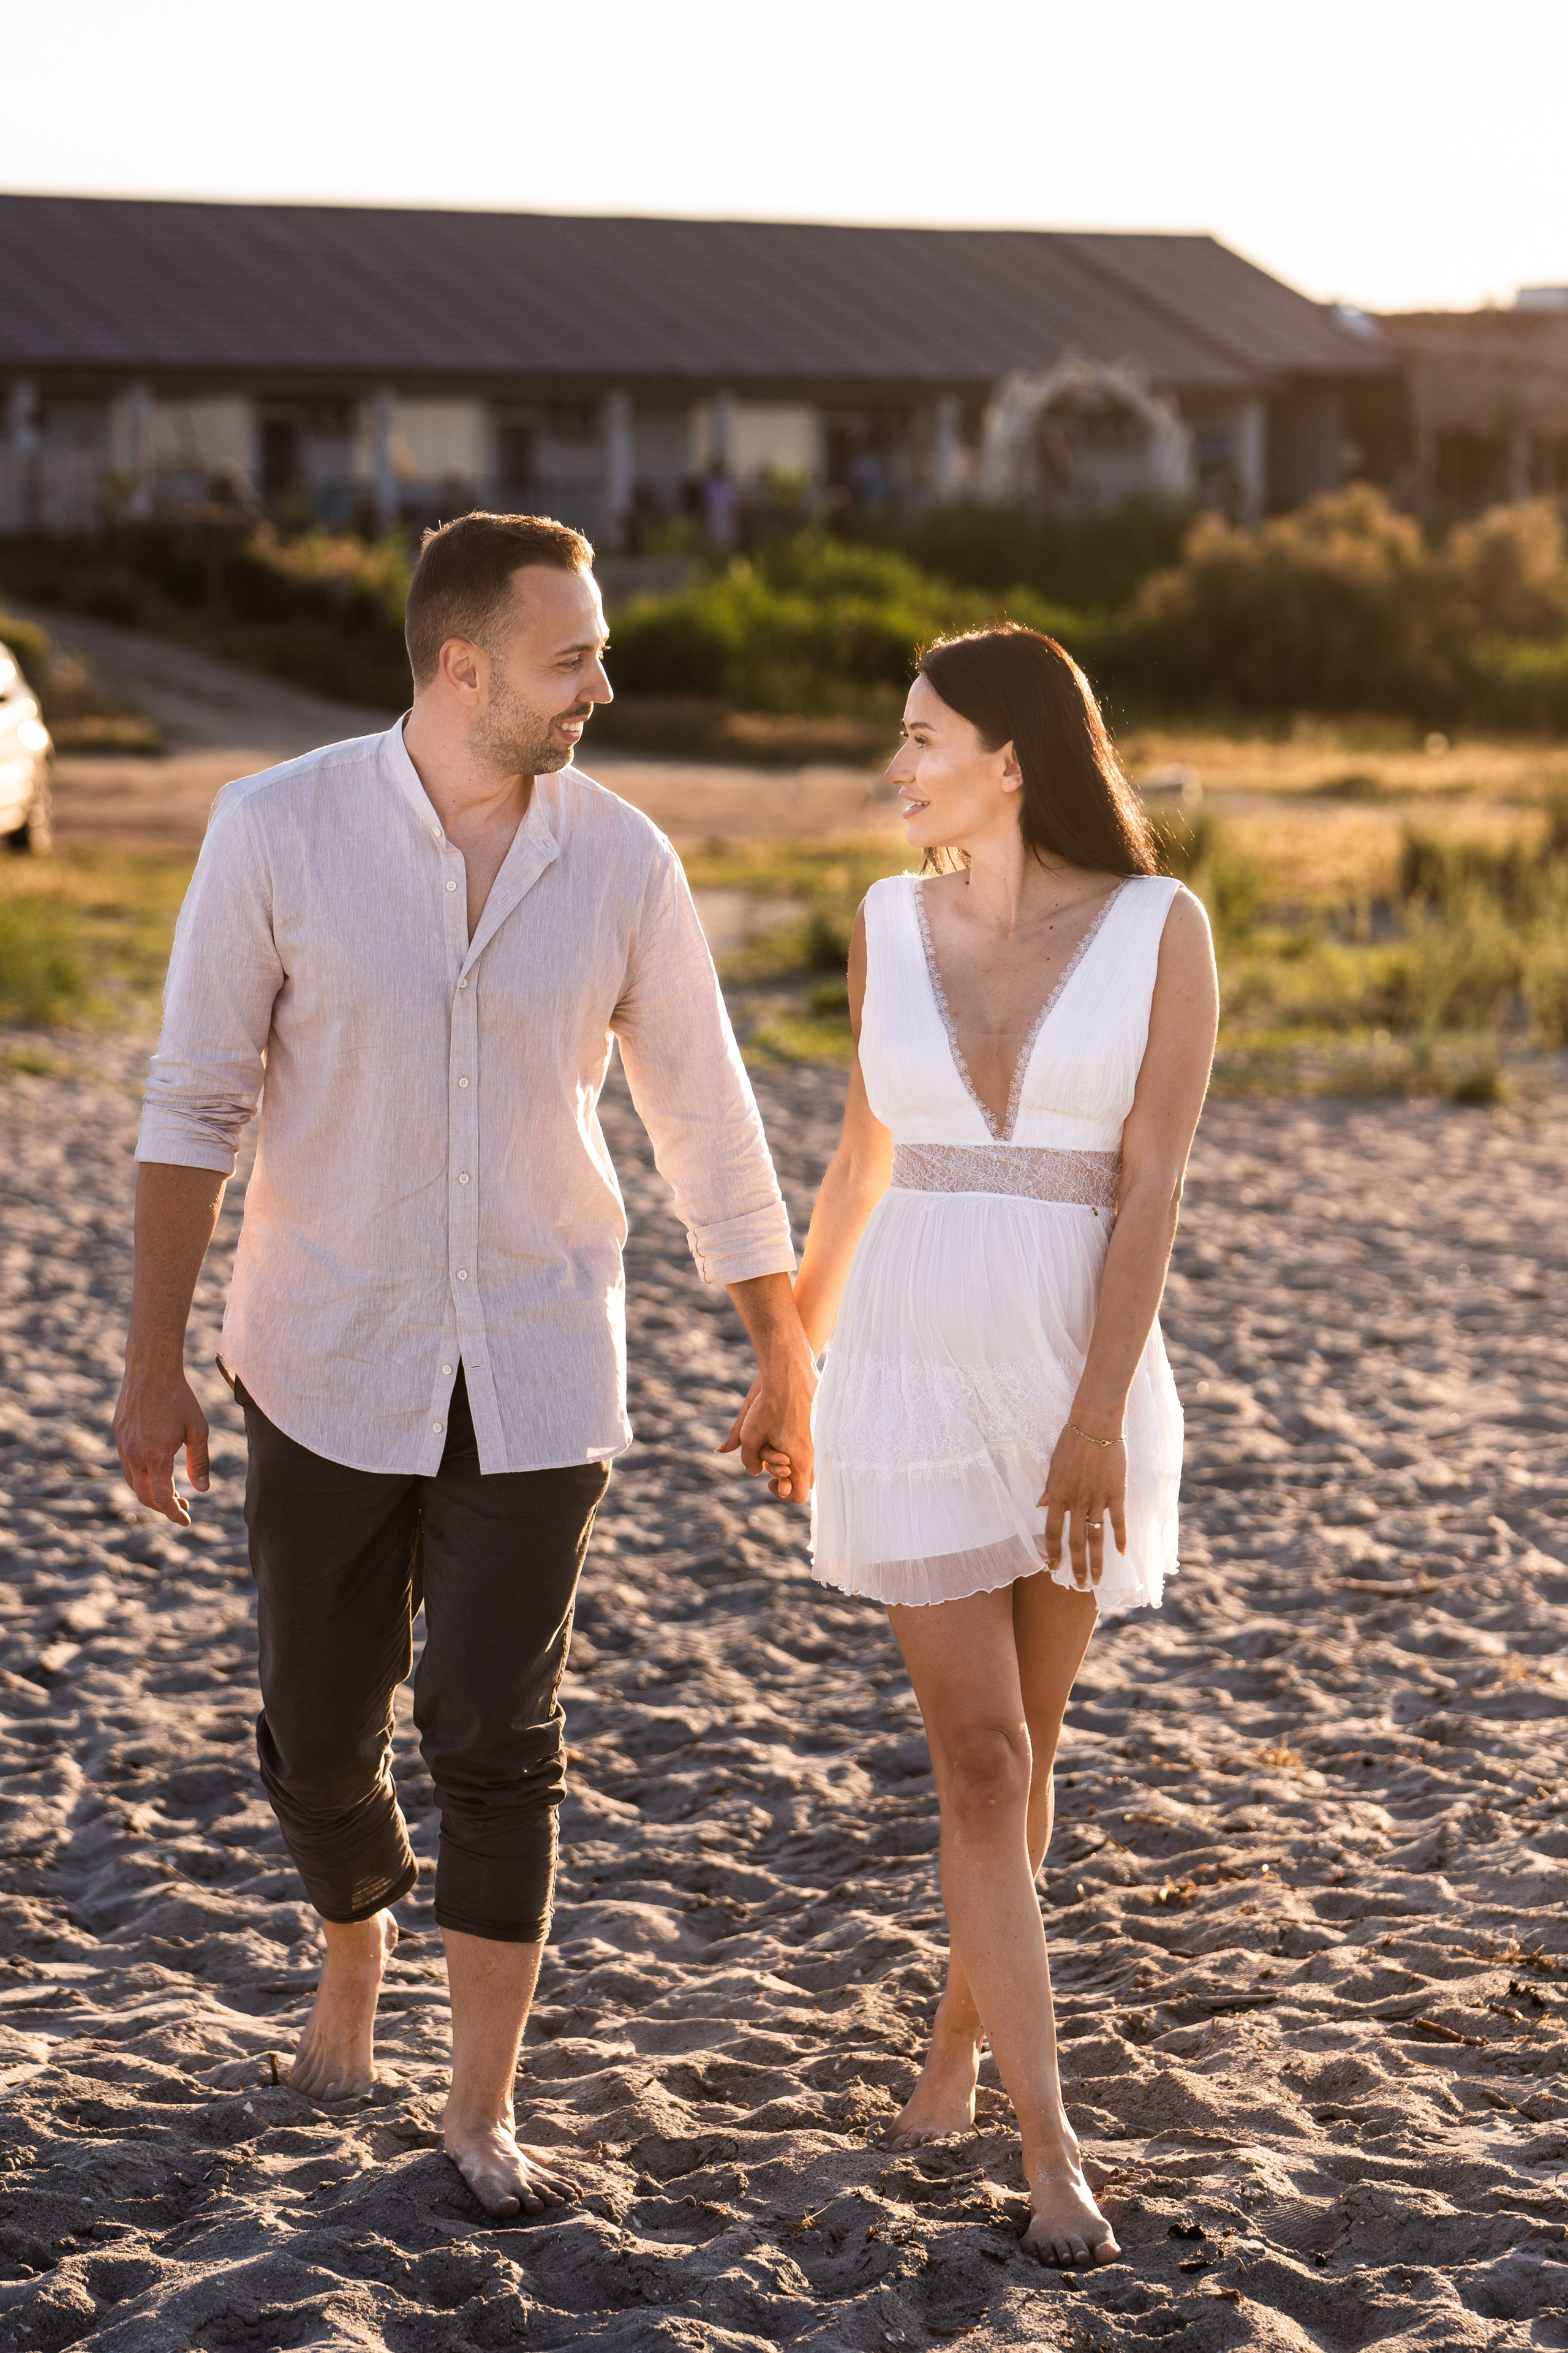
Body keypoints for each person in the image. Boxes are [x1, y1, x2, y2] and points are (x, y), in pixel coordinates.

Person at [112, 512, 815, 2220]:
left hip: (538, 1363)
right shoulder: (275, 829)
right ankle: (353, 1952)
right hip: (322, 1350)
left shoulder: (626, 860)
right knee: (317, 1739)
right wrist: (154, 1368)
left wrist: (779, 1343)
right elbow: (192, 1104)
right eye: (572, 655)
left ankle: (479, 2104)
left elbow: (706, 1121)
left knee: (497, 1728)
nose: (604, 683)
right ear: (463, 664)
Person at [769, 624, 1217, 2267]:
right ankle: (1053, 2147)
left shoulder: (1166, 926)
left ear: (1011, 756)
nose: (899, 766)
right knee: (981, 1757)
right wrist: (786, 1354)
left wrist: (1099, 1410)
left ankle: (959, 2047)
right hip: (907, 1361)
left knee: (1029, 1752)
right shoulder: (887, 924)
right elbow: (855, 1166)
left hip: (1077, 1372)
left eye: (922, 735)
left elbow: (1155, 1181)